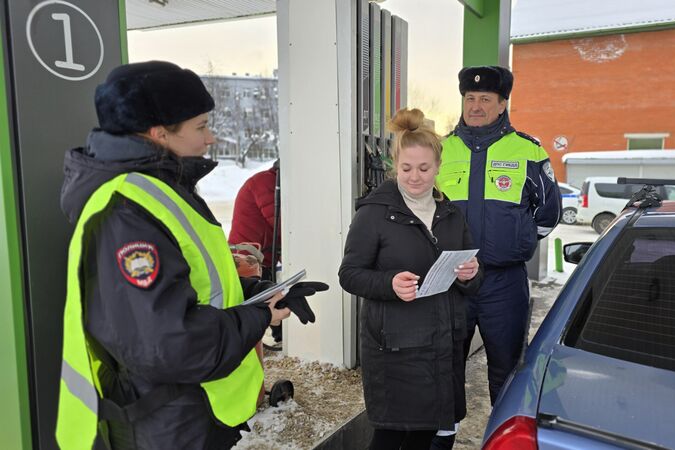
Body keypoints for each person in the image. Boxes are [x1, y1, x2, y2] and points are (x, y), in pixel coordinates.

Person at [55, 61, 327, 450]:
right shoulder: (126, 211)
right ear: (159, 133)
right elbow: (169, 342)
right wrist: (258, 315)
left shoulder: (162, 189)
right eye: (200, 126)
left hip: (193, 412)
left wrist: (261, 291)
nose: (211, 137)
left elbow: (198, 283)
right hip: (166, 425)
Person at [432, 64, 561, 448]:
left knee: (506, 370)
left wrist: (515, 243)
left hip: (503, 284)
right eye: (470, 98)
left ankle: (504, 440)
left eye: (485, 99)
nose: (475, 106)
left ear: (502, 103)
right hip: (450, 281)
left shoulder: (528, 150)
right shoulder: (441, 148)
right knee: (445, 368)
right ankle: (442, 440)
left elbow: (548, 213)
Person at [339, 108, 482, 450]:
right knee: (390, 435)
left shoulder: (450, 213)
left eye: (424, 168)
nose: (415, 177)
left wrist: (470, 274)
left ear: (437, 167)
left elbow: (472, 278)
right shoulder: (374, 213)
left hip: (442, 344)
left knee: (424, 432)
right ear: (394, 165)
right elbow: (350, 275)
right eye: (406, 168)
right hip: (395, 348)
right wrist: (389, 284)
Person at [229, 160, 283, 347]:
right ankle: (264, 339)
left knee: (268, 296)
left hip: (260, 257)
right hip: (248, 258)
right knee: (260, 300)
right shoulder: (264, 184)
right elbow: (280, 224)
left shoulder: (269, 183)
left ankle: (274, 336)